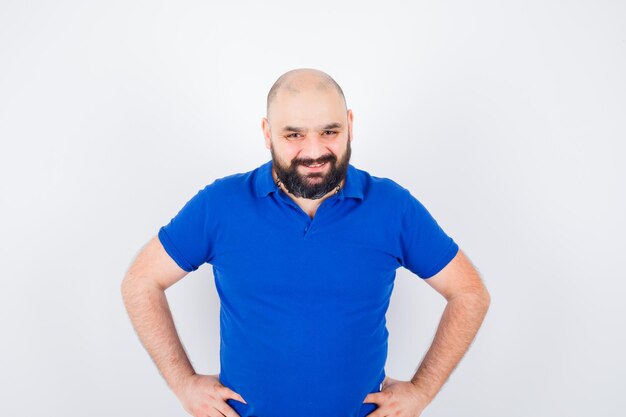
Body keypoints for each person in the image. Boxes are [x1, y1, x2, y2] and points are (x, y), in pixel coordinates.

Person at [121, 68, 491, 417]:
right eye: (294, 134)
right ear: (267, 133)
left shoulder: (393, 207)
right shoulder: (220, 204)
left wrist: (421, 392)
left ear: (350, 126)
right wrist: (183, 383)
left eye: (329, 131)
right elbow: (141, 281)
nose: (314, 151)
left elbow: (469, 293)